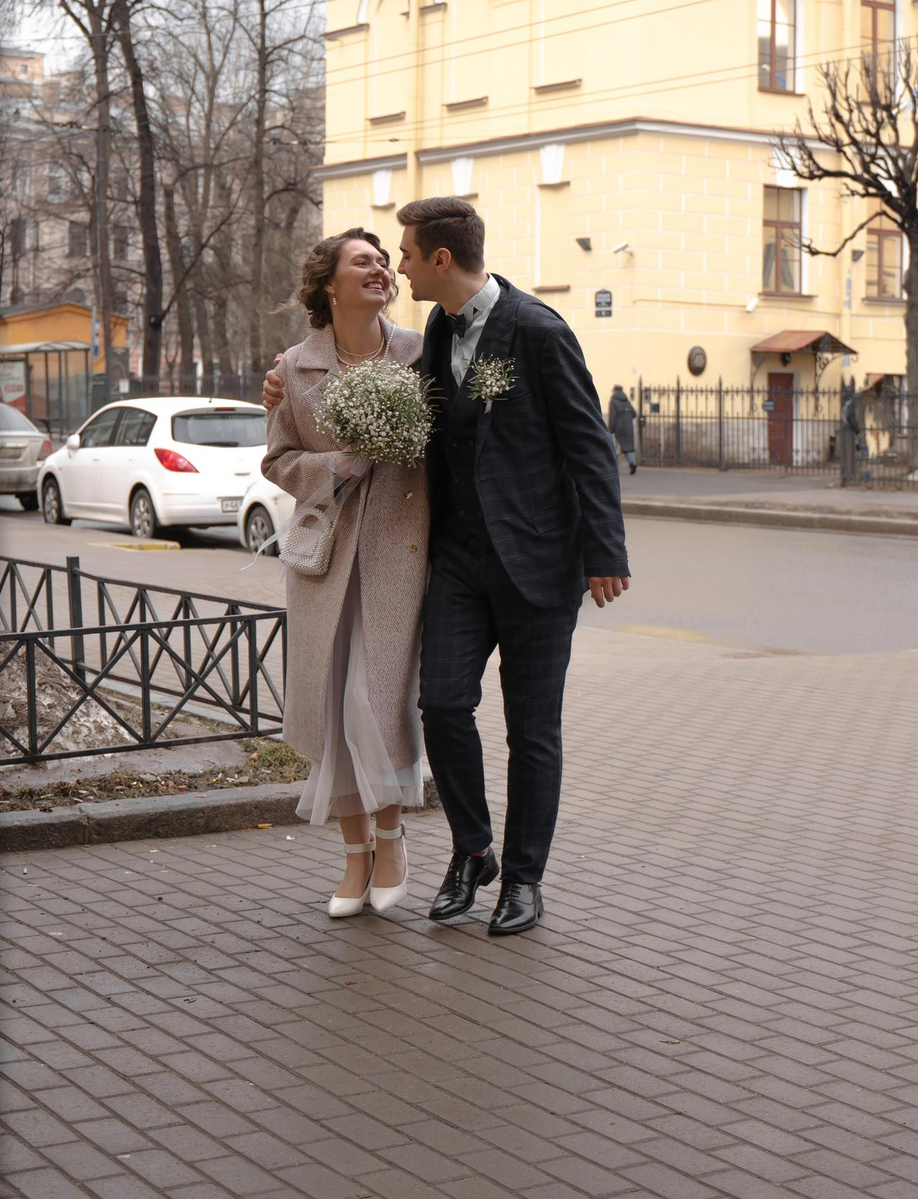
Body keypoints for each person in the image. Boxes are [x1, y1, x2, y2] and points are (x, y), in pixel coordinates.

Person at [263, 195, 629, 935]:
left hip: (536, 566)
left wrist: (604, 553)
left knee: (532, 730)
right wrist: (278, 385)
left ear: (438, 258)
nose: (395, 264)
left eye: (401, 252)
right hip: (459, 563)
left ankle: (522, 879)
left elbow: (589, 445)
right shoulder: (433, 330)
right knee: (441, 703)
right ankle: (472, 850)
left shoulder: (537, 328)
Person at [261, 229, 430, 919]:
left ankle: (391, 838)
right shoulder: (294, 367)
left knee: (376, 697)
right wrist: (331, 466)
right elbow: (275, 460)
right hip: (325, 565)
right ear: (329, 282)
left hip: (399, 553)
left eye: (385, 260)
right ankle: (354, 855)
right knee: (333, 706)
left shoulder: (421, 351)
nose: (381, 268)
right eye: (363, 260)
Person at [606, 383, 639, 475]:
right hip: (628, 427)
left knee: (615, 447)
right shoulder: (626, 401)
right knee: (627, 446)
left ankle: (614, 467)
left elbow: (612, 417)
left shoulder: (613, 401)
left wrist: (610, 429)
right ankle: (632, 463)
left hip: (618, 428)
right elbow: (634, 413)